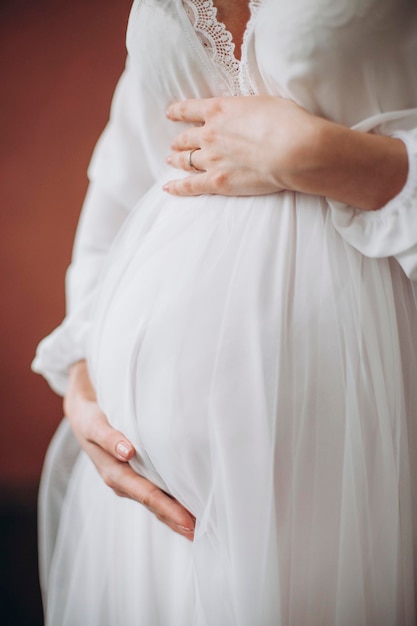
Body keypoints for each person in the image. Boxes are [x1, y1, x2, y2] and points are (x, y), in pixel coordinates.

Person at [32, 0, 417, 624]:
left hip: (364, 446)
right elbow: (131, 167)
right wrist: (85, 378)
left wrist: (333, 159)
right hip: (158, 501)